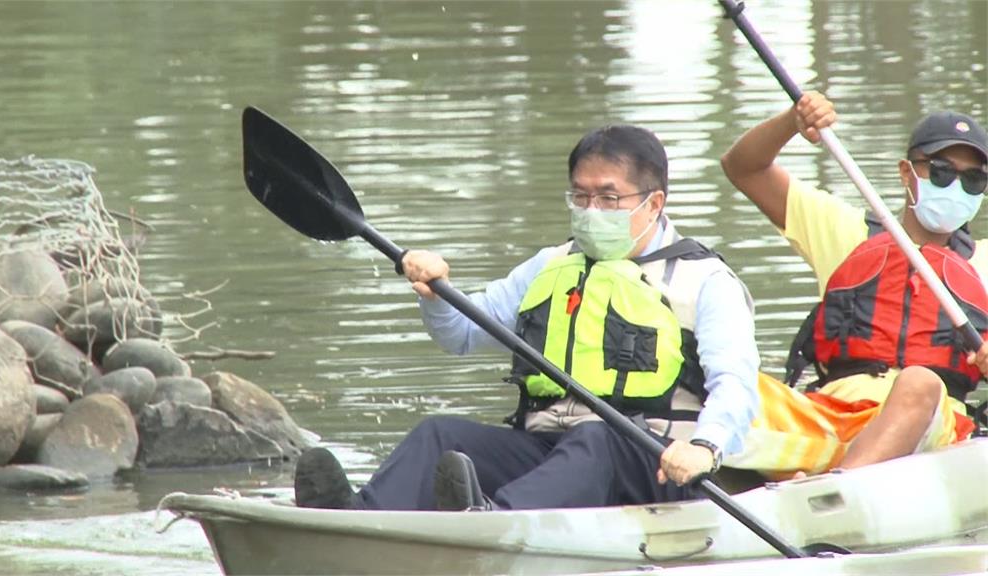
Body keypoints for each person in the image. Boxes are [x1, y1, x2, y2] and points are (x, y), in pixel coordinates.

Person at [294, 124, 760, 511]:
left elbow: (736, 384)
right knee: (440, 435)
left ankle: (497, 521)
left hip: (655, 463)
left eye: (608, 198)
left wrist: (705, 448)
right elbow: (461, 334)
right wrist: (436, 294)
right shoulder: (551, 266)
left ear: (653, 203)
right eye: (580, 196)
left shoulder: (705, 280)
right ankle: (358, 516)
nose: (590, 210)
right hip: (549, 449)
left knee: (598, 440)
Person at [720, 93, 988, 477]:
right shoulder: (846, 231)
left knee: (919, 382)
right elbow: (743, 168)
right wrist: (792, 123)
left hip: (935, 428)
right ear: (906, 172)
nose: (956, 186)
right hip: (834, 415)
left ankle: (835, 486)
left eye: (974, 179)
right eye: (942, 171)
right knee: (729, 380)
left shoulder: (984, 261)